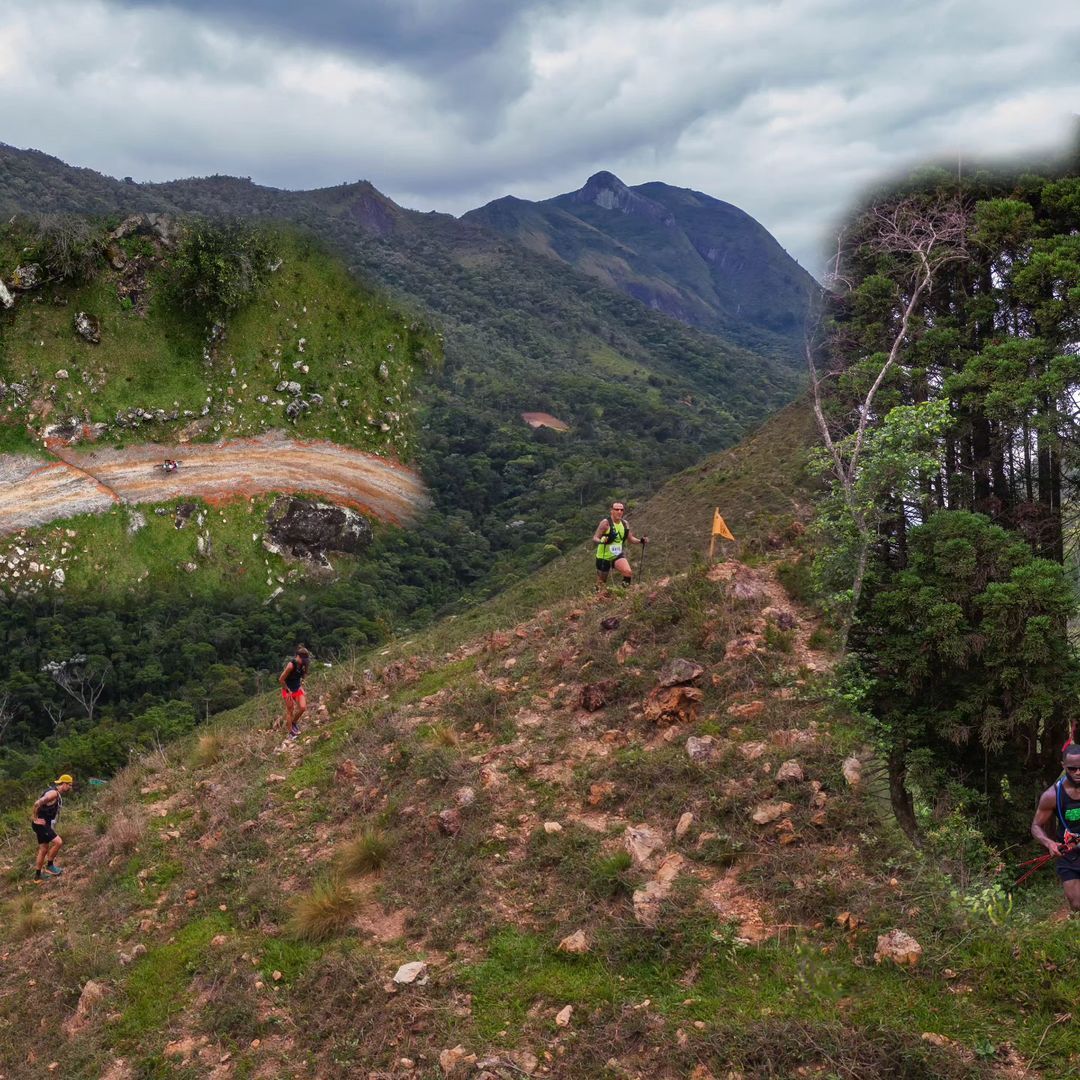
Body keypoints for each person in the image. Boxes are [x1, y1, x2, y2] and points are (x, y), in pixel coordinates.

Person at [1031, 744, 1080, 912]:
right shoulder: (1052, 796)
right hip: (1069, 853)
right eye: (1072, 769)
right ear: (1063, 766)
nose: (1078, 772)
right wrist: (1050, 844)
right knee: (1076, 904)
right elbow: (1036, 826)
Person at [592, 501, 647, 591]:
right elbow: (595, 538)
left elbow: (631, 539)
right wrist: (603, 541)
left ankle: (623, 593)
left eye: (621, 510)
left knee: (628, 572)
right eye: (616, 509)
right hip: (603, 557)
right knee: (601, 583)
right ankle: (596, 599)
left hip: (617, 555)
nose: (619, 511)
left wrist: (641, 541)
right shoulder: (605, 523)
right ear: (611, 511)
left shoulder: (625, 524)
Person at [31, 774, 73, 883]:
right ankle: (50, 866)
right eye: (69, 785)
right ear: (63, 784)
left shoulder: (55, 793)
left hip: (42, 824)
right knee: (58, 842)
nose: (70, 788)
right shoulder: (54, 793)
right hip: (41, 824)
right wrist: (34, 818)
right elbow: (37, 803)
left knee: (44, 849)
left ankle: (37, 877)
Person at [279, 645, 311, 740]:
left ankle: (293, 723)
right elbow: (281, 679)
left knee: (302, 707)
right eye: (303, 659)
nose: (304, 662)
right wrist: (288, 691)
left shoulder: (303, 664)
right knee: (290, 710)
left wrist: (301, 684)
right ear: (298, 656)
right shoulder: (291, 665)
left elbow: (303, 675)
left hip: (297, 689)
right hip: (287, 690)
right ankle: (290, 733)